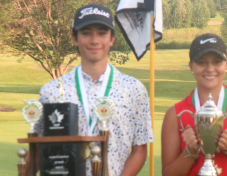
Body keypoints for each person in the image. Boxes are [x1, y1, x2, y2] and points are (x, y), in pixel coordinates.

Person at [33, 3, 154, 176]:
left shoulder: (134, 89)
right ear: (75, 38)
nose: (94, 40)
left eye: (102, 33)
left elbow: (140, 150)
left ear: (112, 38)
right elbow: (39, 149)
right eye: (86, 32)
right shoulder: (51, 92)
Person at [161, 33, 227, 176]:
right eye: (201, 62)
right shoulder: (175, 114)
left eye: (217, 61)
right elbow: (167, 174)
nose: (210, 68)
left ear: (226, 65)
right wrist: (190, 152)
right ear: (191, 67)